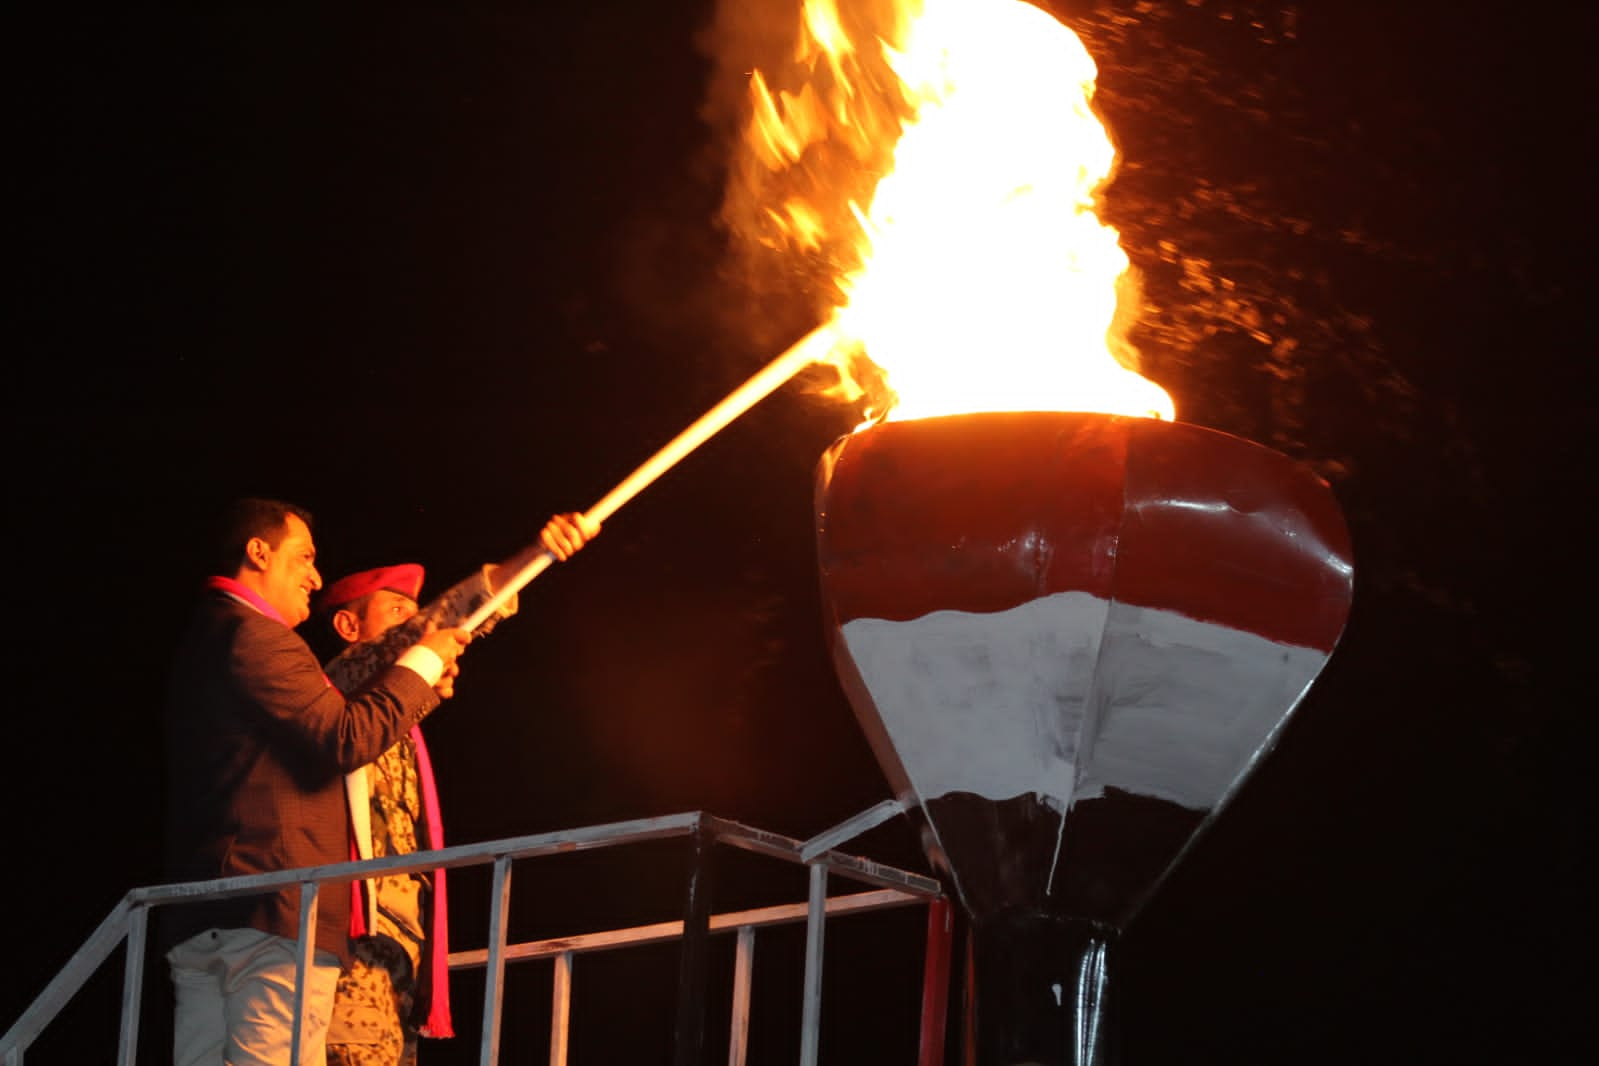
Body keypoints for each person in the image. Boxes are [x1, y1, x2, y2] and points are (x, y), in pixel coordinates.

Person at [160, 497, 470, 1066]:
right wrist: (424, 660)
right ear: (259, 552)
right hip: (272, 915)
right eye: (303, 557)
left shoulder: (204, 638)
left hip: (211, 915)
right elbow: (344, 737)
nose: (314, 575)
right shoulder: (258, 636)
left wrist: (416, 681)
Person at [318, 513, 599, 1066]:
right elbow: (436, 628)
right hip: (348, 946)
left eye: (412, 609)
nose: (413, 621)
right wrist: (527, 560)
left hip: (402, 944)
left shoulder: (400, 721)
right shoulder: (336, 687)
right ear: (350, 629)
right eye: (396, 611)